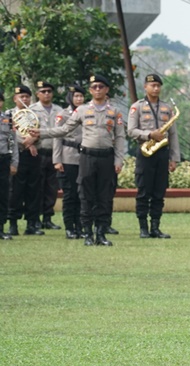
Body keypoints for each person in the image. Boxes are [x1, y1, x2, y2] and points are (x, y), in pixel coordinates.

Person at [27, 74, 127, 245]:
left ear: (106, 90)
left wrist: (118, 160)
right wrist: (42, 133)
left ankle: (101, 233)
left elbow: (119, 137)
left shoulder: (114, 112)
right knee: (86, 195)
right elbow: (64, 129)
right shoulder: (82, 110)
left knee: (104, 196)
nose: (97, 90)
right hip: (87, 156)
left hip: (106, 157)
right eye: (94, 87)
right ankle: (87, 233)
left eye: (101, 87)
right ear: (90, 90)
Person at [128, 73, 181, 239]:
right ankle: (143, 227)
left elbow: (173, 135)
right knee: (144, 191)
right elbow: (131, 130)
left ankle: (155, 227)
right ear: (145, 87)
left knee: (159, 192)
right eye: (152, 86)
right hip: (145, 152)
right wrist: (149, 134)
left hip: (162, 154)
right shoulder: (137, 107)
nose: (156, 88)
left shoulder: (167, 108)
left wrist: (174, 158)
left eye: (158, 86)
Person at [7, 85, 44, 236]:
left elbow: (42, 133)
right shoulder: (8, 115)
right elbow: (8, 136)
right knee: (15, 190)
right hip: (17, 155)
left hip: (33, 157)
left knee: (33, 190)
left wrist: (33, 140)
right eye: (21, 97)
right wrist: (26, 143)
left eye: (26, 97)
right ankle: (13, 224)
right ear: (15, 99)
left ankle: (32, 224)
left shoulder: (35, 115)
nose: (24, 99)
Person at [30, 81, 64, 231]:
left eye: (49, 91)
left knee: (51, 188)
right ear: (37, 94)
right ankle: (35, 218)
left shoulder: (59, 110)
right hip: (37, 152)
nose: (46, 94)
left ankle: (47, 218)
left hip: (54, 153)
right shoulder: (32, 110)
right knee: (37, 187)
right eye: (43, 91)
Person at [53, 84, 86, 239]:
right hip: (67, 157)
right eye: (76, 96)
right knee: (69, 194)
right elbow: (57, 137)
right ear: (70, 98)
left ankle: (80, 226)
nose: (78, 99)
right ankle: (69, 227)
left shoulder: (87, 112)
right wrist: (57, 160)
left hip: (84, 158)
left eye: (81, 96)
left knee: (82, 194)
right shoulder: (63, 114)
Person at [0, 91, 18, 240]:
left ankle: (1, 228)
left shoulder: (7, 120)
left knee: (3, 195)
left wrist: (14, 162)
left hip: (4, 159)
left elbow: (13, 142)